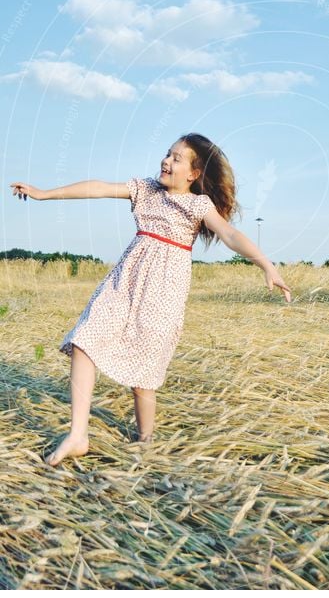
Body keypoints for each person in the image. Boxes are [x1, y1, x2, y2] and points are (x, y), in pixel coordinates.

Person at [10, 133, 291, 466]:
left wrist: (266, 264)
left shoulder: (198, 205)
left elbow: (229, 234)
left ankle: (145, 442)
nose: (166, 161)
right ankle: (78, 435)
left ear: (193, 174)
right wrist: (43, 194)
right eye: (166, 154)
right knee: (85, 340)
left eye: (176, 158)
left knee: (143, 378)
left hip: (163, 294)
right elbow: (98, 187)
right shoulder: (146, 190)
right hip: (124, 282)